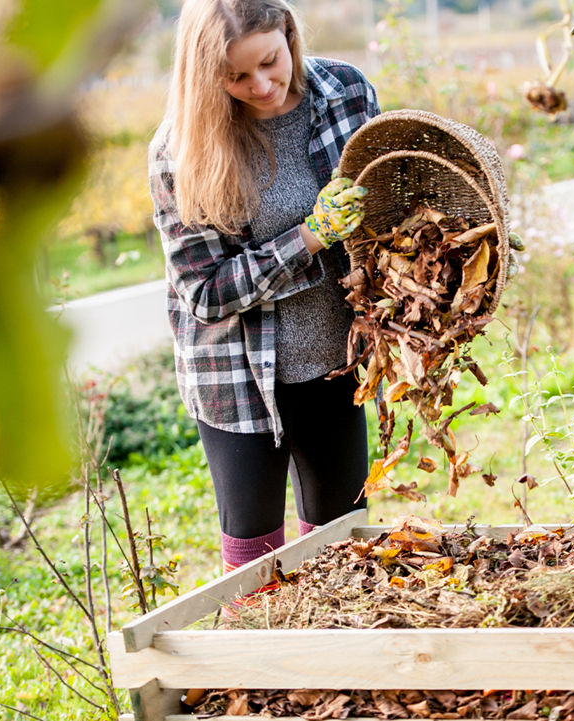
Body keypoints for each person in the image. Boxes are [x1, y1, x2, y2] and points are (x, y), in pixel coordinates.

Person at [148, 0, 380, 576]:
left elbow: (389, 203)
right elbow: (205, 292)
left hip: (336, 363)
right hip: (236, 376)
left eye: (270, 61)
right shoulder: (180, 152)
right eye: (236, 76)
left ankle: (333, 660)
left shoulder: (347, 93)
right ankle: (257, 657)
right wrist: (308, 238)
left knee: (343, 544)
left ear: (289, 33)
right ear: (205, 77)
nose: (262, 85)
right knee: (256, 559)